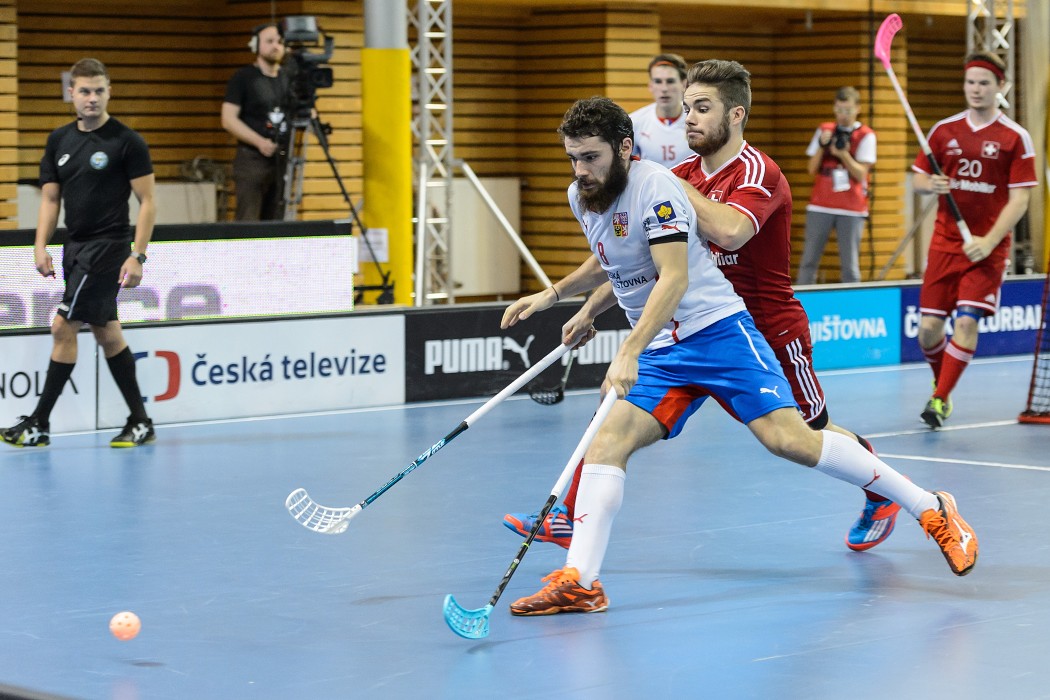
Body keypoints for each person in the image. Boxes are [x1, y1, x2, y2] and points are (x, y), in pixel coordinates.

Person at [500, 93, 977, 617]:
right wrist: (557, 297)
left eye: (590, 157)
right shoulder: (581, 195)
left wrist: (628, 350)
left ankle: (930, 507)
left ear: (624, 147)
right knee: (605, 444)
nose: (580, 170)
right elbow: (611, 259)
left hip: (718, 333)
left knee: (790, 440)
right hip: (664, 347)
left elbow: (674, 277)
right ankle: (582, 581)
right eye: (572, 157)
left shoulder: (656, 188)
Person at [507, 65, 897, 553]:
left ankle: (885, 492)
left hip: (766, 327)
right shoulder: (680, 175)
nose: (687, 118)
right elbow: (643, 257)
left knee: (808, 434)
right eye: (687, 107)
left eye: (701, 108)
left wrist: (666, 186)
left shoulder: (758, 172)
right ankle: (567, 516)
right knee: (615, 409)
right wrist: (587, 307)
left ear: (735, 116)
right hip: (694, 327)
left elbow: (731, 231)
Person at [1, 58, 156, 449]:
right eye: (84, 91)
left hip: (108, 248)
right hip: (75, 246)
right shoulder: (59, 140)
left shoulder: (126, 141)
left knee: (62, 327)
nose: (92, 98)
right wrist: (40, 245)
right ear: (71, 92)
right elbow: (51, 198)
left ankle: (38, 424)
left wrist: (138, 255)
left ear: (109, 92)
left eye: (99, 91)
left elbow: (148, 201)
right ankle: (140, 421)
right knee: (107, 333)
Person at [913, 51, 1037, 429]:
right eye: (971, 82)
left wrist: (989, 239)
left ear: (1001, 86)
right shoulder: (944, 131)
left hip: (987, 248)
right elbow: (918, 179)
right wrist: (928, 184)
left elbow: (1021, 197)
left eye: (984, 83)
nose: (976, 89)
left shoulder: (1015, 137)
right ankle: (943, 379)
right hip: (944, 243)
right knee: (928, 331)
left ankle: (940, 398)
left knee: (967, 322)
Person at [795, 87, 876, 285]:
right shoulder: (825, 130)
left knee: (850, 266)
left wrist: (843, 155)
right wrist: (823, 148)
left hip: (852, 208)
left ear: (858, 108)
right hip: (820, 204)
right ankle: (801, 307)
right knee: (808, 261)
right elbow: (811, 169)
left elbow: (860, 173)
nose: (843, 116)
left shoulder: (866, 135)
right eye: (839, 110)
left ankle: (853, 308)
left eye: (847, 111)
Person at [221, 23, 290, 221]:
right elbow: (228, 119)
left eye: (279, 42)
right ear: (256, 45)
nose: (275, 46)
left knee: (277, 222)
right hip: (252, 160)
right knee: (248, 221)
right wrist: (259, 142)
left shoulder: (288, 78)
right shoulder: (243, 78)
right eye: (269, 41)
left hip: (282, 160)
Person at [629, 54, 690, 168]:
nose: (664, 89)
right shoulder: (634, 122)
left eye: (670, 81)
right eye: (658, 81)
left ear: (683, 84)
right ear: (650, 86)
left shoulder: (699, 119)